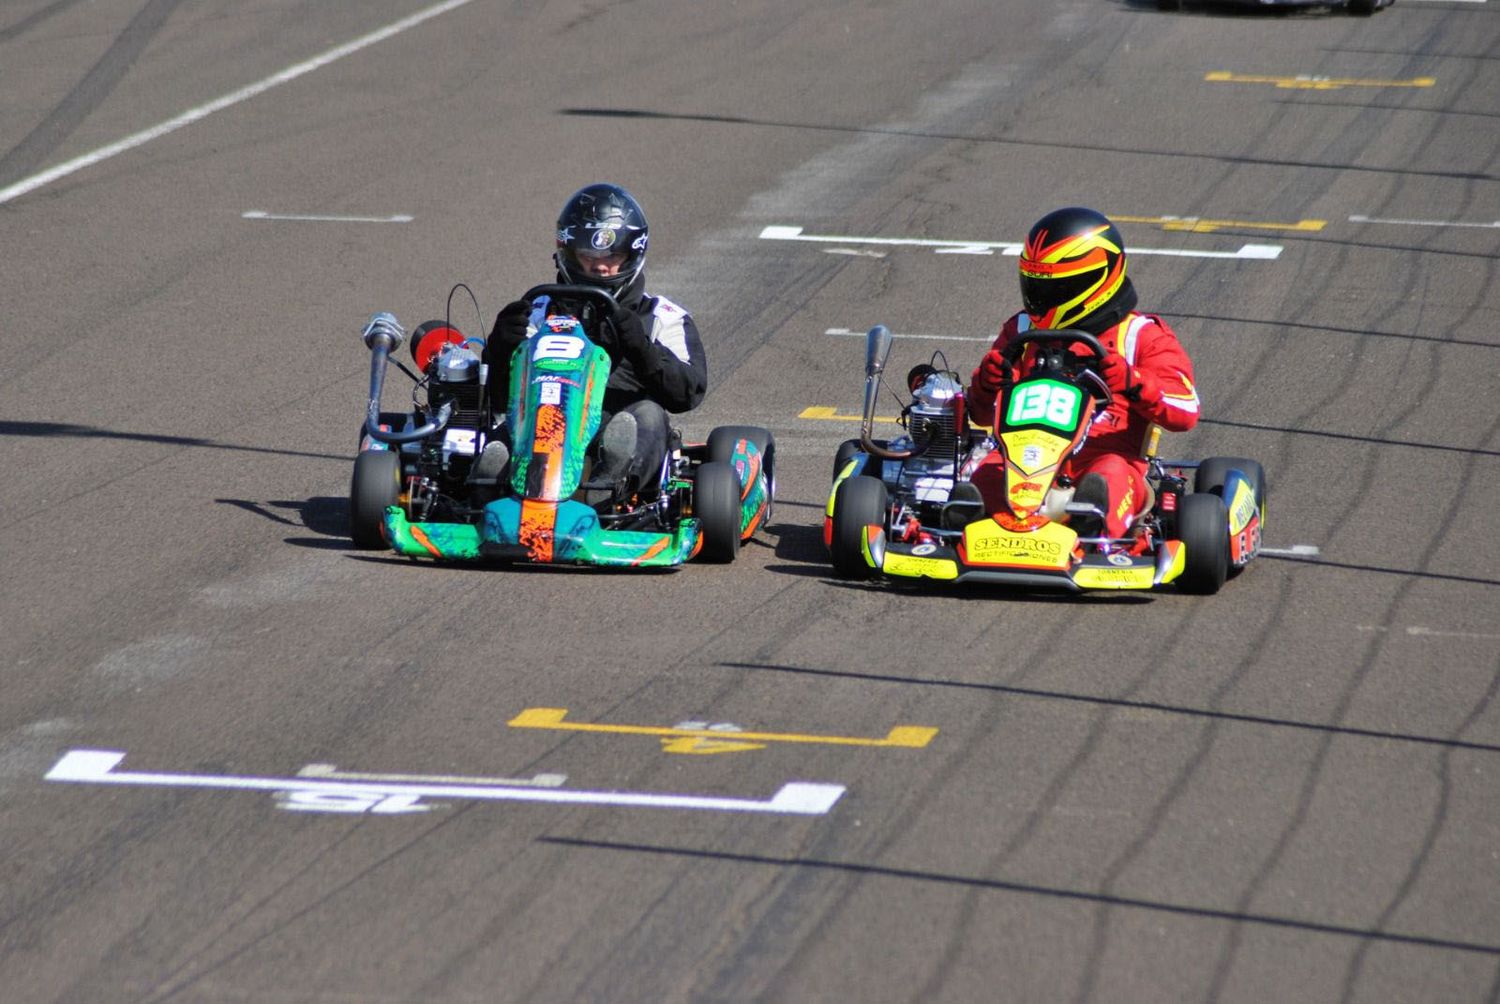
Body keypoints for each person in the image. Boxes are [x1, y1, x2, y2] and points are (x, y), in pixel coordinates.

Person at [965, 206, 1200, 539]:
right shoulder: (1021, 329)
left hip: (1105, 455)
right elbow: (981, 413)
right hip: (1024, 460)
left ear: (1094, 281)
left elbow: (1186, 410)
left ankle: (1090, 530)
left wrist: (1134, 384)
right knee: (986, 473)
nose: (1039, 299)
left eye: (1053, 289)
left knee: (1109, 478)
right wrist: (986, 386)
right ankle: (968, 522)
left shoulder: (1139, 336)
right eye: (1035, 285)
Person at [481, 183, 708, 497]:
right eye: (589, 255)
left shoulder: (662, 317)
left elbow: (688, 392)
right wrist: (500, 348)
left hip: (615, 425)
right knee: (499, 423)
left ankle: (605, 491)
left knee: (648, 416)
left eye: (612, 254)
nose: (600, 265)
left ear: (632, 254)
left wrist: (642, 349)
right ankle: (491, 480)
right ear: (569, 253)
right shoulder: (536, 311)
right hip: (543, 423)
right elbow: (497, 395)